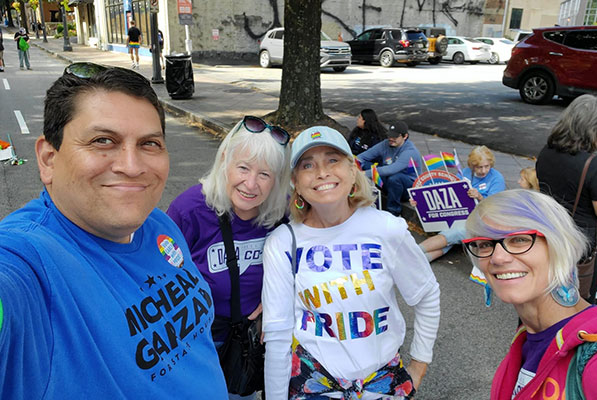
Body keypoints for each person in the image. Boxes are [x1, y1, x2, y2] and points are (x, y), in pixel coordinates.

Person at [0, 63, 228, 399]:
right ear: (49, 159)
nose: (132, 167)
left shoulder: (157, 223)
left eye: (149, 144)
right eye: (103, 140)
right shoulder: (29, 262)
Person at [262, 126, 441, 399]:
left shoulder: (386, 229)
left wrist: (418, 365)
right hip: (313, 384)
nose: (322, 172)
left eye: (333, 160)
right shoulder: (283, 242)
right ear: (295, 183)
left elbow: (426, 294)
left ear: (352, 170)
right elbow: (277, 336)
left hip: (383, 381)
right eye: (308, 165)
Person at [167, 115, 290, 399]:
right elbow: (157, 273)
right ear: (225, 161)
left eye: (265, 174)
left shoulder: (282, 214)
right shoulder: (190, 209)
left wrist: (279, 300)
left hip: (248, 343)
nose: (251, 184)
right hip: (197, 339)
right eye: (243, 168)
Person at [463, 189, 597, 399]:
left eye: (519, 240)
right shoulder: (527, 337)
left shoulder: (593, 356)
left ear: (559, 246)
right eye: (484, 244)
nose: (498, 258)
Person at [536, 94, 597, 304]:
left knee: (544, 299)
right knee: (576, 306)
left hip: (550, 236)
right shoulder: (593, 164)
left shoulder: (546, 152)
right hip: (579, 246)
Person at [416, 145, 506, 261]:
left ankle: (412, 253)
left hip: (483, 219)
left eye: (486, 166)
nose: (483, 171)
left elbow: (494, 206)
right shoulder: (465, 173)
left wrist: (479, 196)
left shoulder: (496, 178)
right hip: (462, 215)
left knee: (455, 232)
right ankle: (419, 260)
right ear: (472, 165)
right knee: (450, 236)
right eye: (479, 167)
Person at [357, 120, 422, 216]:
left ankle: (393, 212)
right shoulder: (385, 144)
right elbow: (362, 157)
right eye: (390, 136)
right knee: (366, 165)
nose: (391, 139)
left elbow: (391, 169)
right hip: (388, 181)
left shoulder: (410, 151)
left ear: (405, 136)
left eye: (395, 137)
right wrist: (351, 166)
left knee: (395, 178)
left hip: (407, 187)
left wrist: (363, 174)